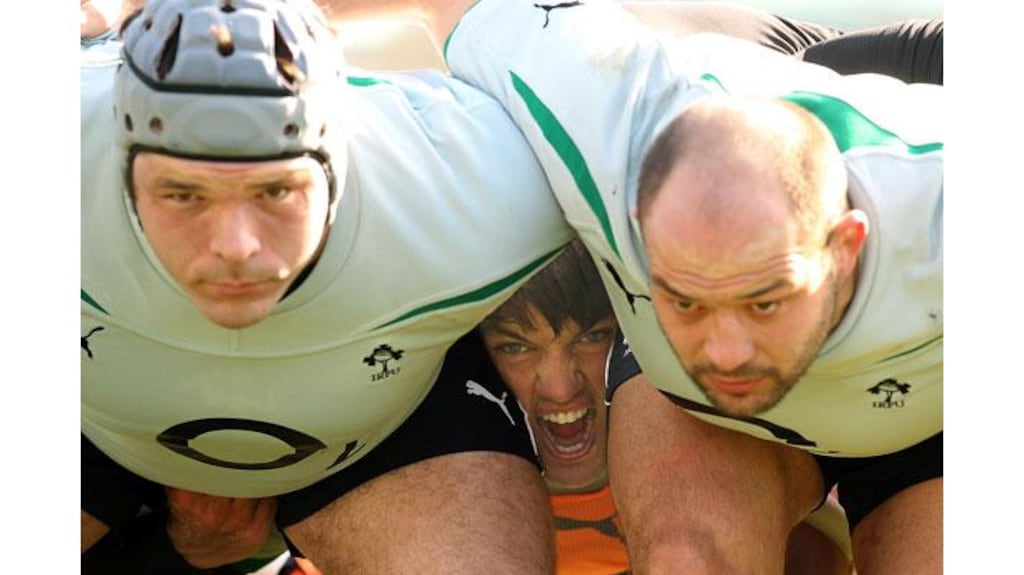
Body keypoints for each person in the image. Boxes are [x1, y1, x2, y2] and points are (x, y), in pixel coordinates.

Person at [318, 1, 943, 573]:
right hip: (712, 88)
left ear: (845, 247)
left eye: (764, 300)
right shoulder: (607, 136)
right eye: (687, 300)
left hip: (936, 399)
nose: (724, 354)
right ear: (633, 227)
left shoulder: (946, 223)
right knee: (686, 559)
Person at [81, 0, 576, 573]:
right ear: (121, 169)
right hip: (86, 420)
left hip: (383, 429)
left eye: (276, 192)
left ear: (338, 163)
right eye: (184, 195)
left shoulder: (470, 192)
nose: (235, 246)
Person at [479, 238, 856, 575]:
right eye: (516, 348)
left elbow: (829, 550)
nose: (561, 388)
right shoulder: (466, 486)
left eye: (591, 338)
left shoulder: (696, 442)